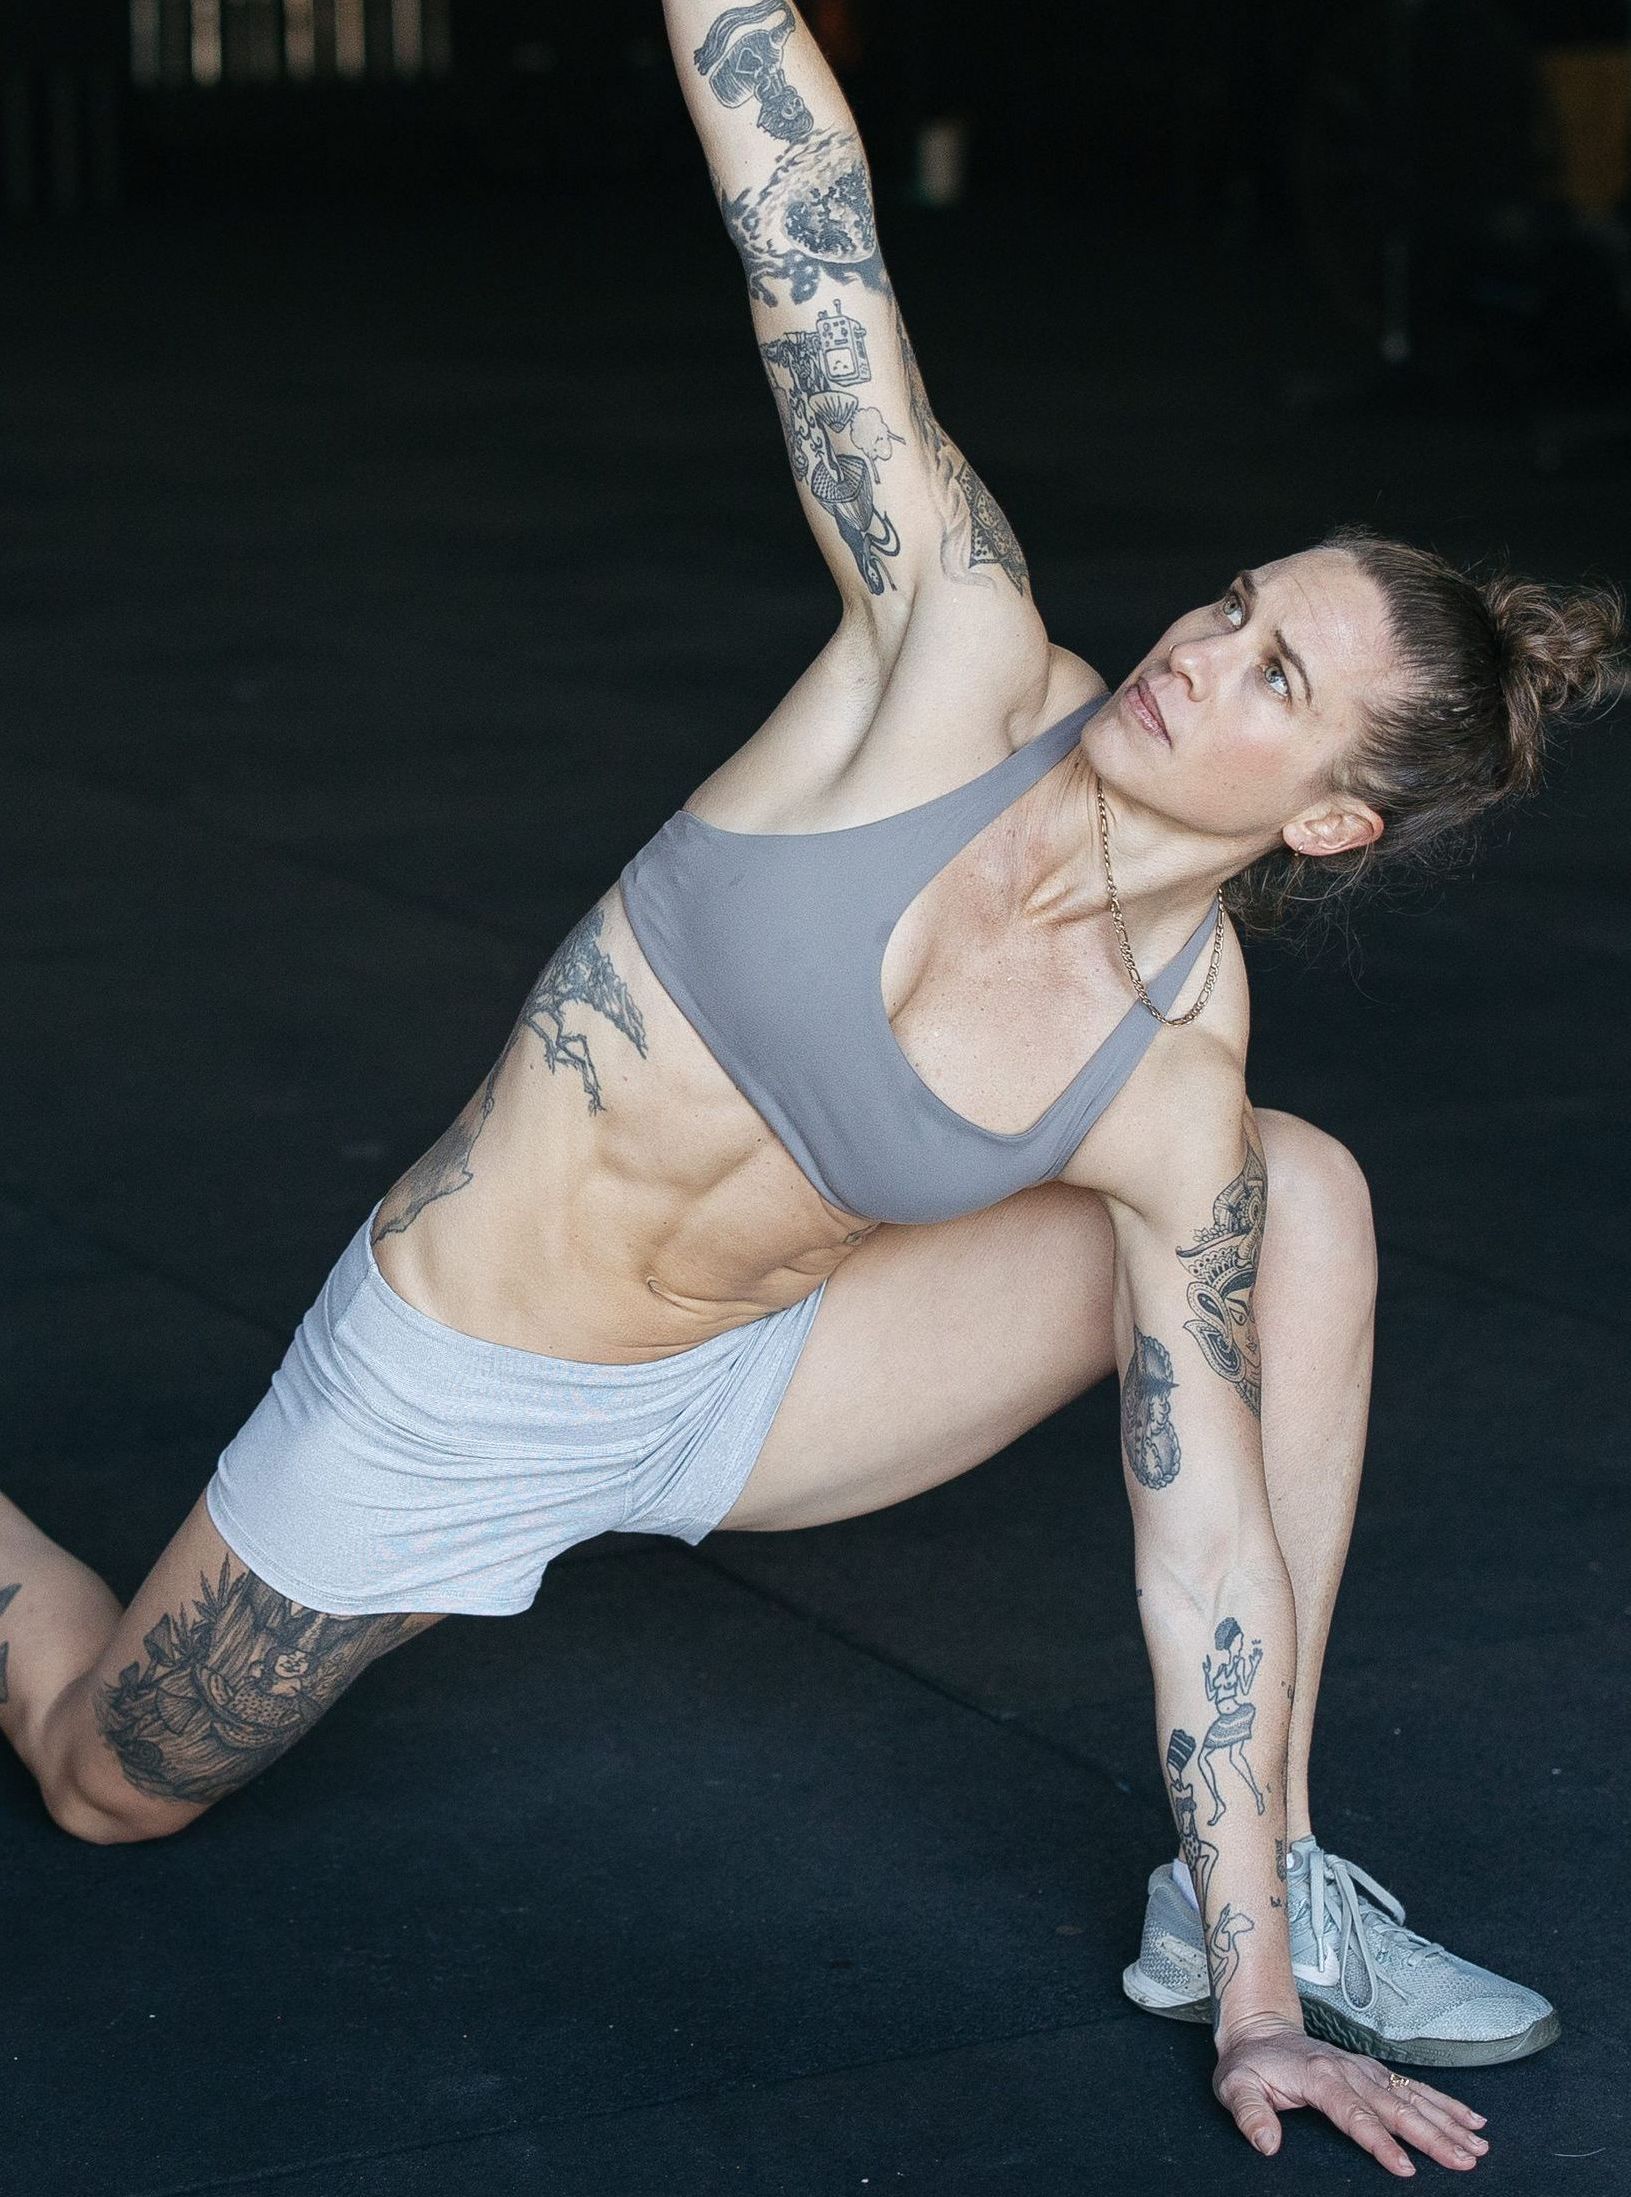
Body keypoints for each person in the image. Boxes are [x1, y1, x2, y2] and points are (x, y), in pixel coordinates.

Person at [1, 0, 1621, 2173]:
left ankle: (1264, 1900)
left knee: (1283, 1202)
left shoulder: (1175, 1066)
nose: (1200, 648)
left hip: (759, 1379)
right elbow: (810, 229)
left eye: (1273, 677)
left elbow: (1204, 1522)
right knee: (107, 1780)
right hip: (462, 1368)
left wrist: (1253, 2018)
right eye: (1238, 601)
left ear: (1327, 818)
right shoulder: (949, 653)